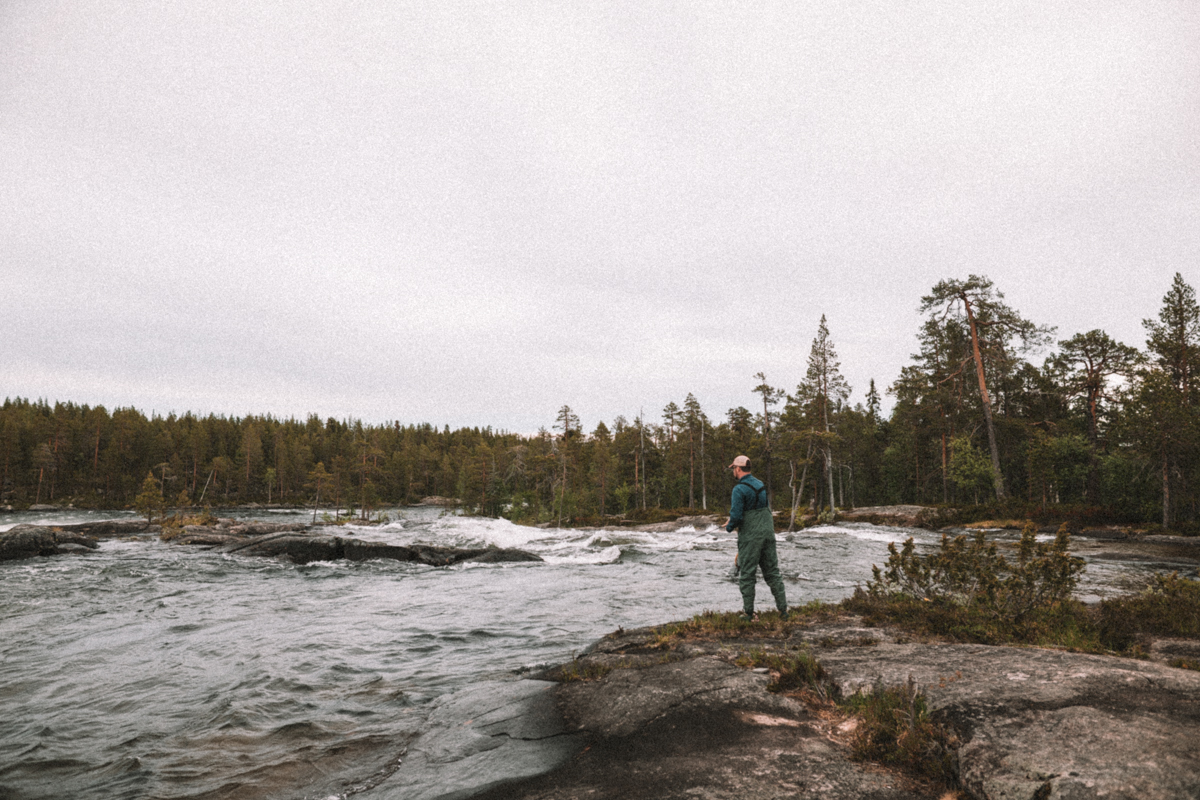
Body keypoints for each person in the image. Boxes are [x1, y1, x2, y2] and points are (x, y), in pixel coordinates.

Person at [725, 455, 788, 620]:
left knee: (747, 574)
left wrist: (730, 526)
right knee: (773, 572)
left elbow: (737, 516)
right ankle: (783, 611)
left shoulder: (738, 489)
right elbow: (758, 507)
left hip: (751, 536)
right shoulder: (760, 484)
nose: (733, 471)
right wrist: (733, 519)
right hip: (768, 532)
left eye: (733, 468)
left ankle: (748, 613)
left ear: (738, 469)